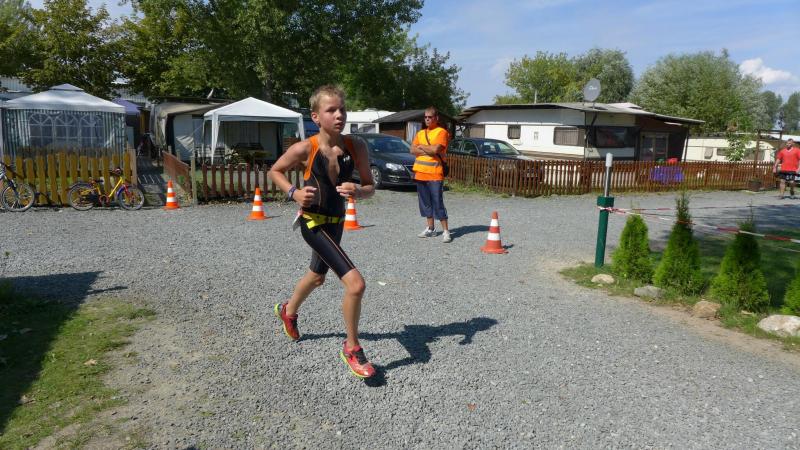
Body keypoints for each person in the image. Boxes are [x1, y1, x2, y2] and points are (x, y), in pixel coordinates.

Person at [267, 85, 377, 379]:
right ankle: (352, 347)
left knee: (317, 277)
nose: (339, 115)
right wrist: (293, 193)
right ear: (316, 116)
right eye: (331, 110)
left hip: (336, 221)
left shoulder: (356, 146)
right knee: (356, 284)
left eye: (342, 109)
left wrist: (359, 191)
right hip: (312, 223)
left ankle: (288, 310)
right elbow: (274, 171)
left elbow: (370, 187)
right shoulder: (305, 148)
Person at [411, 106, 451, 242]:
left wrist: (421, 147)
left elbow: (436, 150)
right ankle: (431, 228)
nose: (427, 119)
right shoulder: (420, 133)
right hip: (420, 174)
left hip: (435, 174)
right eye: (426, 117)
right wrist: (427, 149)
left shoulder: (441, 132)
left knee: (438, 202)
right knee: (425, 203)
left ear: (436, 118)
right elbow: (412, 150)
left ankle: (446, 231)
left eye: (430, 117)